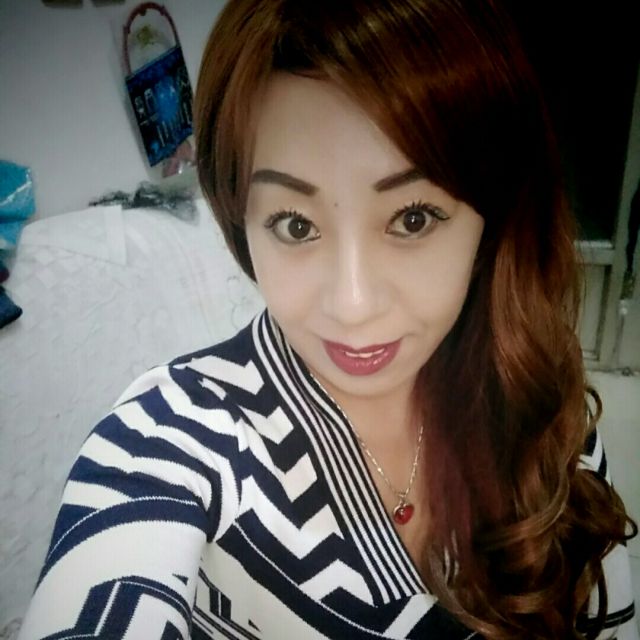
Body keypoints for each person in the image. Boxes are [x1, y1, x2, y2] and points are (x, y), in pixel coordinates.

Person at [19, 1, 638, 638]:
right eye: (295, 225)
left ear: (494, 217)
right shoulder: (168, 439)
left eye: (413, 218)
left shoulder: (541, 406)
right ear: (241, 220)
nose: (352, 305)